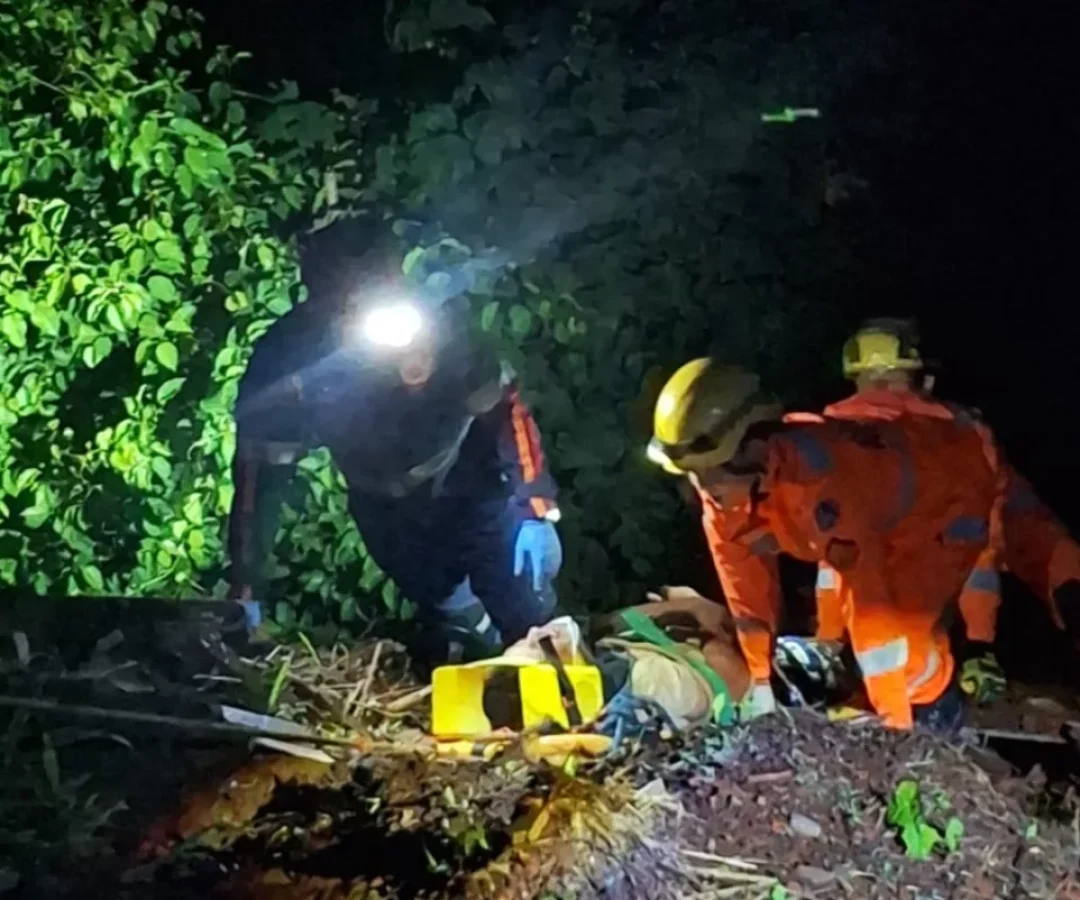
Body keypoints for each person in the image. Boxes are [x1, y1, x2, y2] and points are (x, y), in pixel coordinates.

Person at [226, 228, 562, 667]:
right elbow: (259, 475)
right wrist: (246, 584)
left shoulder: (438, 334)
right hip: (387, 510)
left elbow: (505, 407)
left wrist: (534, 499)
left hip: (479, 489)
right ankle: (481, 685)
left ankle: (562, 698)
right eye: (339, 298)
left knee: (527, 614)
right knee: (459, 624)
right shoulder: (289, 358)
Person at [647, 358, 1000, 730]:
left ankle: (938, 713)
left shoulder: (825, 483)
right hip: (860, 526)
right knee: (844, 639)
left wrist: (894, 730)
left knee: (905, 653)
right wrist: (759, 679)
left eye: (712, 472)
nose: (704, 488)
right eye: (692, 475)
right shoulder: (725, 491)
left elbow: (873, 607)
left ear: (753, 448)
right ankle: (866, 690)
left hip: (944, 508)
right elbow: (745, 590)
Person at [817, 318, 1080, 702]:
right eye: (870, 381)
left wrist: (978, 645)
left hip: (998, 529)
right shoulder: (950, 442)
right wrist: (979, 643)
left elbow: (980, 550)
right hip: (916, 615)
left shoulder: (828, 440)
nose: (877, 394)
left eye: (885, 380)